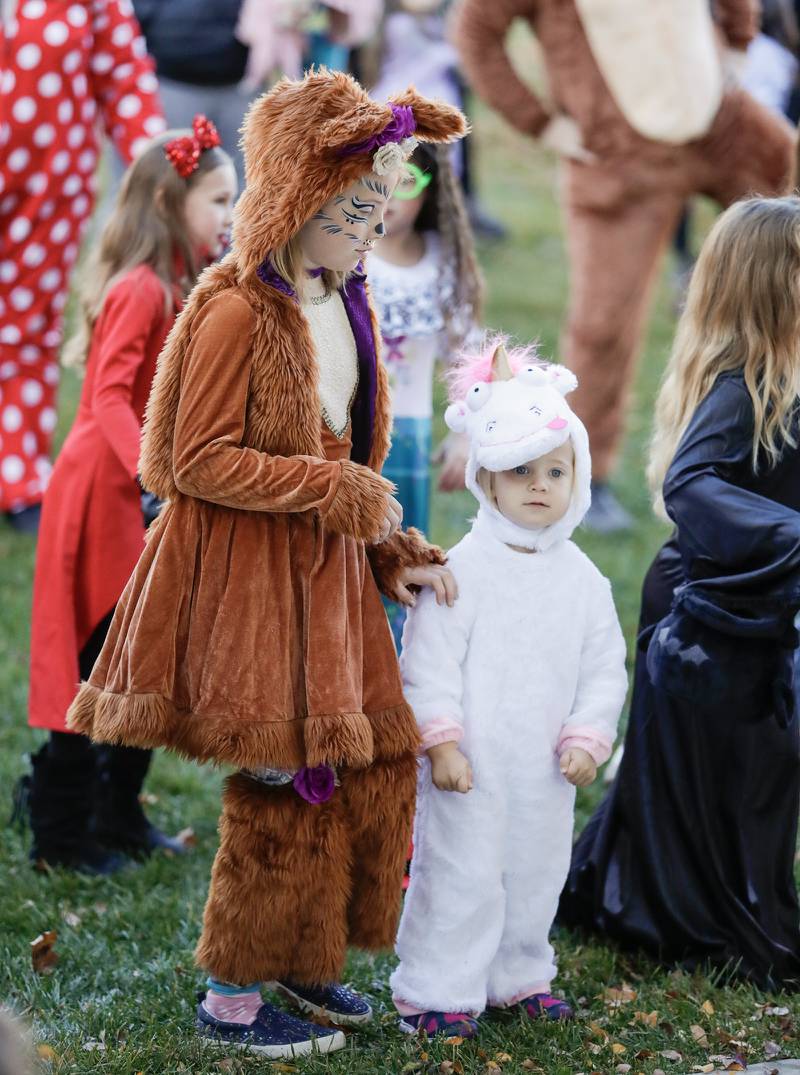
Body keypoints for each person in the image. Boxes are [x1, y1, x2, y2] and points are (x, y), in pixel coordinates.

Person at [67, 69, 466, 1058]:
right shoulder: (236, 309)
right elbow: (187, 460)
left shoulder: (344, 299)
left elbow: (347, 455)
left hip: (323, 579)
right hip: (249, 578)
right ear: (295, 198)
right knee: (278, 787)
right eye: (352, 208)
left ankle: (300, 953)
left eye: (382, 206)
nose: (371, 225)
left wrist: (386, 550)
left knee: (346, 771)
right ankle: (232, 1001)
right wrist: (325, 492)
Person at [560, 196, 800, 990]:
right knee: (716, 782)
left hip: (753, 604)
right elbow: (695, 482)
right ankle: (704, 917)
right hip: (709, 618)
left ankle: (749, 901)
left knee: (757, 776)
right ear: (775, 284)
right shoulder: (742, 386)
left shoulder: (788, 375)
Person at [453, 0, 795, 533]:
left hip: (714, 116)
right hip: (615, 150)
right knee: (604, 320)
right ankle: (586, 472)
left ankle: (781, 422)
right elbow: (476, 31)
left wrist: (736, 39)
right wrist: (540, 123)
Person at [391, 342, 627, 1037]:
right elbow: (427, 661)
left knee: (534, 871)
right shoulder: (463, 570)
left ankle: (518, 973)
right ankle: (436, 987)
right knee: (459, 875)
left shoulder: (584, 580)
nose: (538, 484)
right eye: (519, 470)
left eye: (555, 470)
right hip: (471, 764)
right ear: (487, 480)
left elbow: (603, 664)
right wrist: (442, 742)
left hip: (544, 765)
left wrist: (588, 734)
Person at [23, 118, 237, 875]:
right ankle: (59, 831)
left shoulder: (184, 288)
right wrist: (159, 473)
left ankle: (117, 816)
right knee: (94, 664)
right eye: (218, 199)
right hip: (102, 497)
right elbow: (108, 395)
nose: (229, 216)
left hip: (143, 500)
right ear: (168, 201)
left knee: (143, 664)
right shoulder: (141, 289)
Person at [0, 0, 166, 532]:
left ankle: (20, 474)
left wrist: (160, 169)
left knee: (27, 327)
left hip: (49, 188)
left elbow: (123, 73)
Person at [367, 142, 483, 647]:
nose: (390, 194)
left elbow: (469, 360)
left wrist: (465, 433)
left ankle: (391, 665)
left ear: (430, 190)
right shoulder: (346, 254)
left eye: (406, 182)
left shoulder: (441, 267)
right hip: (345, 437)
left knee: (400, 559)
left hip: (406, 442)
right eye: (379, 178)